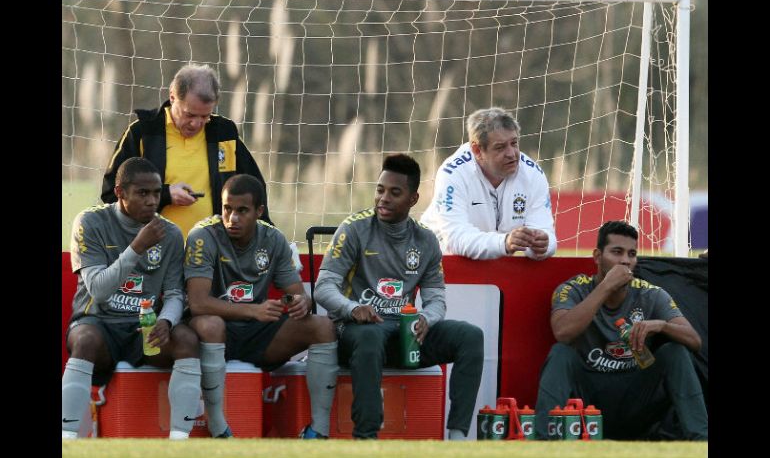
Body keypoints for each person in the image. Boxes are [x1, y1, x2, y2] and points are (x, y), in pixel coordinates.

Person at [314, 154, 484, 440]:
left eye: (395, 192)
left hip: (404, 336)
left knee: (470, 336)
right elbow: (323, 287)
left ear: (413, 199)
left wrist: (425, 318)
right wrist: (353, 308)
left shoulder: (426, 240)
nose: (383, 199)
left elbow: (436, 299)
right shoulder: (354, 229)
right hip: (356, 334)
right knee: (369, 336)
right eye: (380, 190)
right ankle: (366, 439)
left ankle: (457, 439)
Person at [183, 174, 338, 439]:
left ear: (259, 211)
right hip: (214, 332)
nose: (232, 218)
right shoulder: (202, 236)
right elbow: (197, 303)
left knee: (322, 326)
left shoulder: (274, 239)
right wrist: (253, 310)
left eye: (242, 210)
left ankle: (318, 432)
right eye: (227, 209)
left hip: (258, 333)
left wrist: (300, 303)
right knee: (211, 324)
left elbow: (297, 295)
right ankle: (219, 427)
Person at [63, 157, 201, 440]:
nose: (152, 201)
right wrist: (136, 247)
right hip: (99, 322)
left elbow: (175, 293)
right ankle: (67, 438)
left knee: (187, 339)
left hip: (145, 328)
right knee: (85, 340)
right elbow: (99, 290)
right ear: (119, 193)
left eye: (156, 192)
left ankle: (180, 442)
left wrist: (166, 320)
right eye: (142, 193)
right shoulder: (90, 222)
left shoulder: (171, 233)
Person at [533, 220, 708, 440]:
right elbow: (562, 332)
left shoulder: (650, 294)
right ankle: (541, 441)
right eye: (617, 252)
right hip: (588, 400)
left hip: (637, 398)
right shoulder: (573, 289)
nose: (625, 260)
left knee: (675, 351)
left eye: (632, 254)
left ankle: (702, 440)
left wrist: (662, 325)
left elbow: (695, 341)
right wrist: (606, 287)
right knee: (561, 353)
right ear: (597, 256)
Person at [101, 63, 272, 238]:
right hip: (153, 252)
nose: (196, 124)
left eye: (205, 116)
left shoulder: (224, 133)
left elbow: (255, 189)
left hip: (212, 253)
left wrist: (267, 236)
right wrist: (165, 195)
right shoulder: (143, 133)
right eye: (189, 114)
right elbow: (111, 194)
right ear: (172, 97)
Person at [421, 107, 556, 260]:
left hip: (494, 262)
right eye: (500, 147)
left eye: (514, 143)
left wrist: (542, 245)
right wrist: (504, 242)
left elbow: (546, 234)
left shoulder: (533, 174)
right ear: (477, 150)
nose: (511, 153)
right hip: (436, 260)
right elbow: (456, 239)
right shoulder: (453, 174)